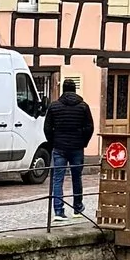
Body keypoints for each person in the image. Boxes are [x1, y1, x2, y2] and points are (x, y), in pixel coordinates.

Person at [43, 77, 95, 220]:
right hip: (77, 147)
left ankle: (58, 211)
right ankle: (77, 207)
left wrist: (53, 141)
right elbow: (89, 127)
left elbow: (47, 128)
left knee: (57, 178)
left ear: (63, 90)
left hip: (59, 147)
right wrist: (83, 142)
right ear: (74, 90)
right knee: (76, 177)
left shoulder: (54, 106)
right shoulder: (83, 106)